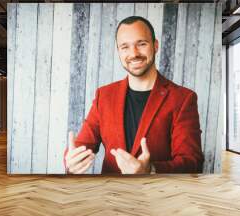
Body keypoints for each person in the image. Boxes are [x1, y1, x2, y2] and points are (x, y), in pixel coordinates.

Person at [64, 16, 204, 174]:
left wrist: (150, 170)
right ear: (118, 51)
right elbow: (82, 146)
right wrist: (72, 160)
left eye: (141, 44)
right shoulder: (104, 95)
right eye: (125, 47)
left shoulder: (183, 98)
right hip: (111, 195)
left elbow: (192, 162)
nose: (134, 53)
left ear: (155, 45)